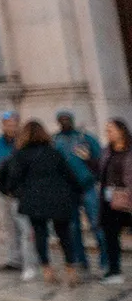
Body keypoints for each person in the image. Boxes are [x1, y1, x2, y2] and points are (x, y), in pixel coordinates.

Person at [0, 119, 88, 286]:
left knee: (40, 235)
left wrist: (17, 193)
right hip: (58, 198)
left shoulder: (20, 155)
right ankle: (70, 269)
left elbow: (13, 180)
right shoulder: (53, 152)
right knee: (64, 234)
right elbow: (69, 175)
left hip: (34, 200)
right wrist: (78, 193)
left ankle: (47, 269)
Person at [53, 110, 105, 271]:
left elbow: (100, 158)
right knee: (73, 227)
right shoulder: (55, 141)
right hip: (67, 190)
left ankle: (106, 258)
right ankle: (80, 260)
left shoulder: (84, 138)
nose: (65, 122)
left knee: (96, 223)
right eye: (62, 120)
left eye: (67, 119)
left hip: (87, 186)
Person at [0, 111, 35, 274]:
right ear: (3, 125)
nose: (11, 127)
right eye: (8, 123)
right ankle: (14, 259)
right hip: (3, 191)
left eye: (14, 123)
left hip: (20, 192)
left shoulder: (24, 142)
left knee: (25, 227)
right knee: (9, 226)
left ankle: (30, 261)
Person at [99, 118, 129, 286]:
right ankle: (114, 270)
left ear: (121, 130)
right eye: (107, 130)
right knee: (110, 235)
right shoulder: (106, 151)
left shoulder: (130, 150)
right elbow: (100, 172)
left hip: (129, 198)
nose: (108, 133)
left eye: (111, 129)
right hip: (110, 200)